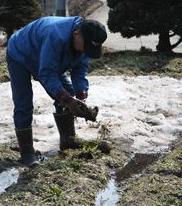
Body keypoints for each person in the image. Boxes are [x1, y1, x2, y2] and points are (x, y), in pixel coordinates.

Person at [6, 16, 107, 167]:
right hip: (21, 55)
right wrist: (67, 100)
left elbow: (80, 69)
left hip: (48, 59)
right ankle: (27, 153)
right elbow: (47, 73)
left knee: (69, 93)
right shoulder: (55, 35)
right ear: (76, 34)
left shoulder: (86, 39)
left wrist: (81, 93)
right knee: (24, 102)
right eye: (86, 47)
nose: (86, 51)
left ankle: (68, 141)